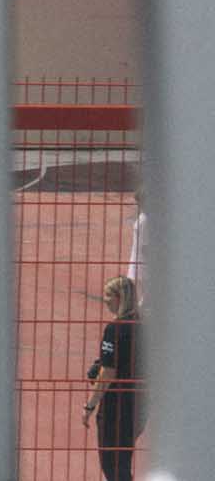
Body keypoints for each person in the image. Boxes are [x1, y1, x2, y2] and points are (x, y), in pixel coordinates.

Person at [82, 275, 143, 481]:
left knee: (112, 465)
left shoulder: (114, 329)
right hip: (139, 404)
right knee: (122, 460)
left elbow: (108, 373)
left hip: (115, 406)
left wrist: (90, 406)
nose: (105, 300)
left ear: (119, 298)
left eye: (108, 296)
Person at [126, 189, 146, 308]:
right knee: (142, 283)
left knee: (144, 282)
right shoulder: (143, 217)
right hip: (139, 254)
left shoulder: (144, 219)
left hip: (142, 256)